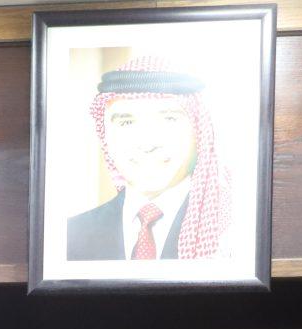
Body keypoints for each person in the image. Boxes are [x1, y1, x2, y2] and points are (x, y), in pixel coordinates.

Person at [67, 56, 232, 262]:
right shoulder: (70, 237)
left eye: (169, 119)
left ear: (198, 131)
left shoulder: (230, 232)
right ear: (105, 136)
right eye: (126, 122)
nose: (147, 144)